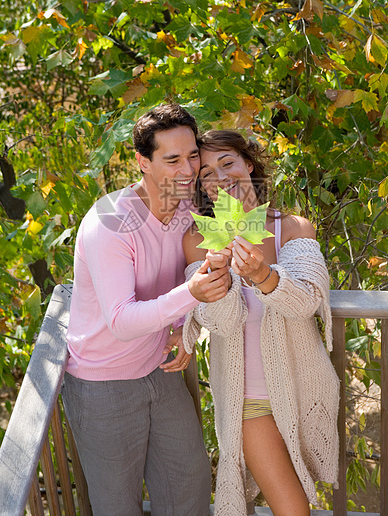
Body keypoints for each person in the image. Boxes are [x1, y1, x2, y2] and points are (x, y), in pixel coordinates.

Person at [62, 105, 231, 516]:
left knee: (189, 492)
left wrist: (183, 325)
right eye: (171, 159)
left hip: (161, 369)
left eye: (192, 155)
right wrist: (191, 296)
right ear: (143, 162)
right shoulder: (109, 221)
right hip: (103, 385)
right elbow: (121, 320)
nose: (187, 169)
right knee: (118, 506)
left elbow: (189, 277)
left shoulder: (189, 211)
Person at [182, 129, 340, 516]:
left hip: (303, 387)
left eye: (227, 163)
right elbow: (218, 322)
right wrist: (218, 277)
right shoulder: (198, 240)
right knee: (293, 509)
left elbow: (306, 302)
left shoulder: (294, 227)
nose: (219, 177)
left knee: (301, 497)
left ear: (248, 164)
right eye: (206, 172)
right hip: (247, 400)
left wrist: (263, 275)